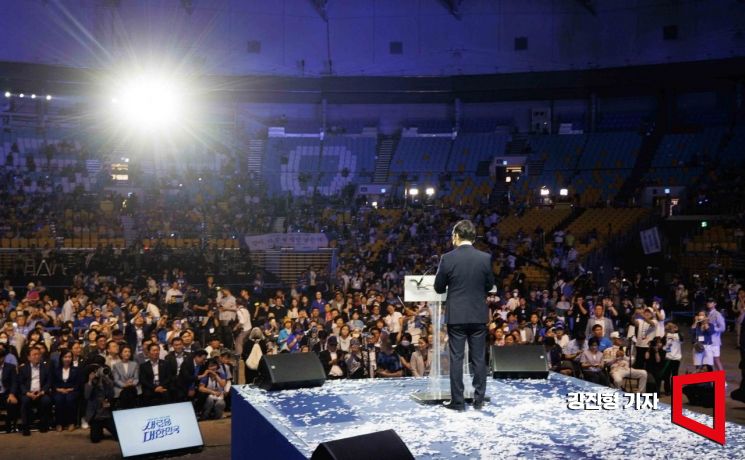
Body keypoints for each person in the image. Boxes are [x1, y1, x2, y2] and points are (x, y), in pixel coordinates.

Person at [434, 219, 495, 411]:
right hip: (478, 315)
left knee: (457, 359)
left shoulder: (447, 258)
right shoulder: (485, 258)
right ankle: (479, 401)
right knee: (478, 359)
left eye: (453, 235)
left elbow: (438, 287)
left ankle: (458, 402)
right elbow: (489, 285)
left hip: (457, 316)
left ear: (457, 235)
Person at [18, 347, 52, 435]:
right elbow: (21, 383)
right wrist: (27, 393)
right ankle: (25, 426)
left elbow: (48, 382)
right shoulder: (23, 368)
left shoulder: (46, 367)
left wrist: (42, 391)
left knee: (46, 401)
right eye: (34, 354)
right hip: (28, 392)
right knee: (25, 401)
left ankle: (43, 424)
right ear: (29, 357)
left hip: (41, 392)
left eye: (38, 354)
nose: (37, 356)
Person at [84, 364, 118, 443]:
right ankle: (99, 430)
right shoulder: (89, 383)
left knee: (119, 436)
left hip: (107, 414)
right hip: (96, 416)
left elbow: (111, 394)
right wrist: (90, 381)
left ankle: (103, 429)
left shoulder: (106, 381)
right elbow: (86, 395)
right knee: (95, 439)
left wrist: (107, 379)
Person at [52, 349, 80, 432]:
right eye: (65, 357)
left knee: (69, 399)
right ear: (61, 358)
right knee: (58, 400)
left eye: (69, 357)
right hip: (59, 390)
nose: (67, 359)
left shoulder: (76, 369)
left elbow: (78, 383)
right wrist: (58, 389)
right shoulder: (56, 369)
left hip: (72, 390)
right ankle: (59, 423)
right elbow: (53, 382)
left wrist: (71, 389)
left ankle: (71, 423)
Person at [112, 345, 140, 409]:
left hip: (132, 388)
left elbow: (136, 378)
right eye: (125, 351)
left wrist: (132, 383)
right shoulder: (116, 365)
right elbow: (116, 380)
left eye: (129, 351)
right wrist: (124, 385)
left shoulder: (134, 364)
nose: (127, 353)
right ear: (121, 354)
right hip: (121, 388)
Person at [0, 349, 19, 433]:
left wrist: (12, 394)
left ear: (3, 358)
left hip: (6, 393)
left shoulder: (10, 367)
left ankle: (10, 426)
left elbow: (14, 382)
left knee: (11, 403)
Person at [705, 298, 726, 371]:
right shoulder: (707, 314)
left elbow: (723, 328)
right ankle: (712, 380)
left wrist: (713, 329)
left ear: (715, 303)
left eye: (711, 302)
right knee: (709, 361)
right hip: (707, 341)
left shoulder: (717, 314)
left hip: (715, 341)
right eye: (708, 302)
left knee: (716, 360)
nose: (709, 303)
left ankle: (722, 381)